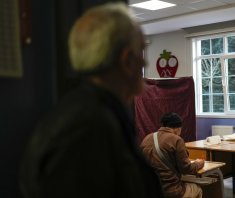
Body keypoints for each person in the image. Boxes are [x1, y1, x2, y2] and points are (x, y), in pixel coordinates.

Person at [19, 3, 163, 198]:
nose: (145, 62)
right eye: (142, 51)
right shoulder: (88, 128)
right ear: (127, 60)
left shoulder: (94, 113)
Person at [140, 112, 205, 198]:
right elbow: (186, 169)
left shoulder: (147, 138)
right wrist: (198, 163)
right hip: (171, 191)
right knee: (197, 189)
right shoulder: (176, 140)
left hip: (149, 190)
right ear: (178, 128)